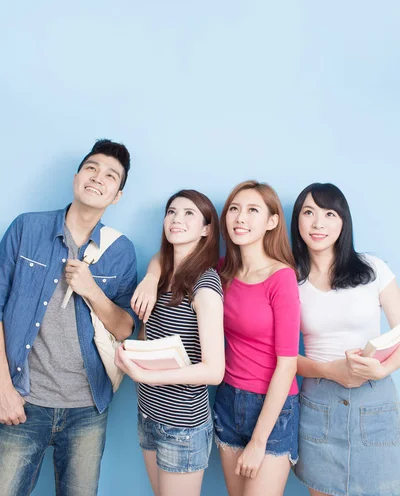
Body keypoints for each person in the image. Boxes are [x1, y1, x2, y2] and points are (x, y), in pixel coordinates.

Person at [132, 180, 300, 496]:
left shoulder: (282, 278)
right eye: (234, 209)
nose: (240, 218)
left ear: (272, 221)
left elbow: (287, 364)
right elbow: (170, 257)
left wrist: (260, 439)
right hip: (227, 400)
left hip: (271, 406)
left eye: (252, 210)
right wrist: (151, 277)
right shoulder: (223, 271)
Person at [0, 139, 138, 496]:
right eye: (91, 168)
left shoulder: (120, 250)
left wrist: (92, 290)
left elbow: (125, 328)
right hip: (22, 398)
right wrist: (3, 389)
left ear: (117, 195)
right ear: (77, 177)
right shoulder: (26, 229)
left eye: (110, 176)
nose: (97, 178)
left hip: (87, 409)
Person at [291, 182, 400, 496]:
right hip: (318, 403)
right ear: (297, 219)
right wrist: (330, 370)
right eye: (308, 212)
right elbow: (282, 357)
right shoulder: (289, 280)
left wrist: (381, 370)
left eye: (329, 214)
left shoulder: (373, 269)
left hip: (374, 398)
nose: (318, 223)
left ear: (343, 221)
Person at [116, 189, 224, 496]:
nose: (176, 219)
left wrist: (147, 375)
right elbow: (158, 259)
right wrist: (150, 279)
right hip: (148, 412)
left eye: (189, 213)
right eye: (172, 211)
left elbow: (214, 371)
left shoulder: (204, 285)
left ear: (206, 229)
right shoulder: (163, 270)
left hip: (182, 426)